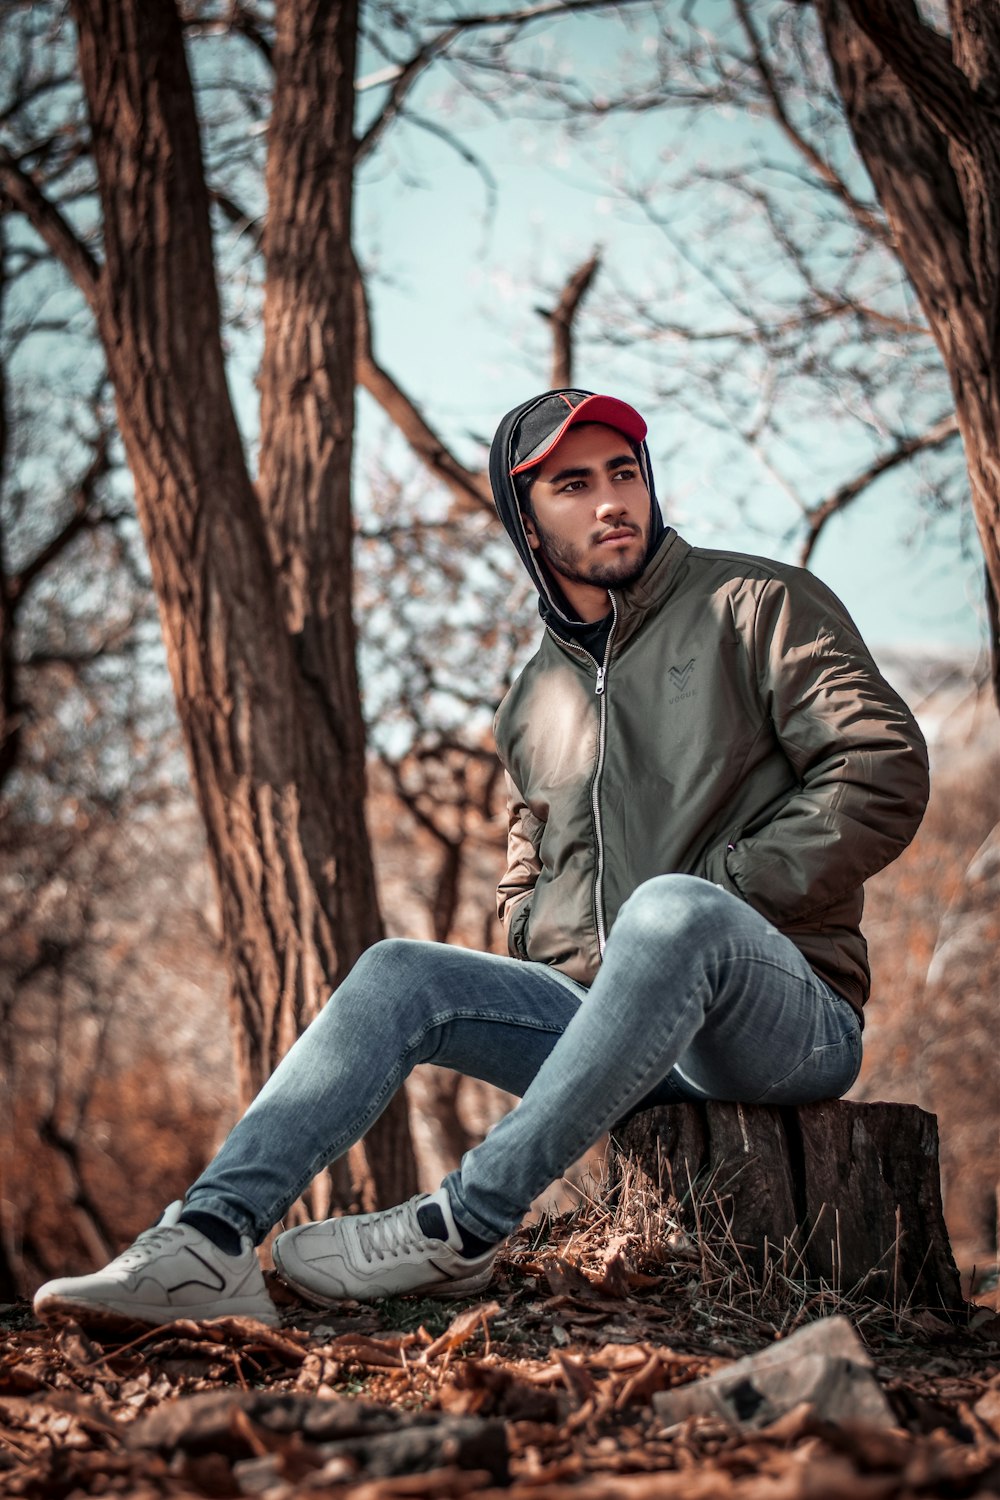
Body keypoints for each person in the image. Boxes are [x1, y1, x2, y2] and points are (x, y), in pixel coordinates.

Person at [34, 389, 930, 1329]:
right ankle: (206, 1241)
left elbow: (880, 767)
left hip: (782, 1019)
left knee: (672, 912)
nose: (610, 501)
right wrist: (528, 923)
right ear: (528, 523)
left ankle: (461, 1225)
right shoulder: (533, 695)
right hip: (610, 1027)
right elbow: (528, 849)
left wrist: (726, 890)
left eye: (623, 473)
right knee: (398, 972)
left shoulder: (757, 604)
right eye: (573, 485)